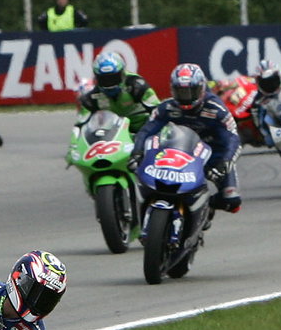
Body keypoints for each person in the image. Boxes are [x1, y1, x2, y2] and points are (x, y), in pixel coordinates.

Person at [135, 63, 242, 213]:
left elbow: (233, 138)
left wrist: (225, 161)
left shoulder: (216, 109)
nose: (187, 97)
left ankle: (205, 205)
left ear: (202, 88)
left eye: (192, 91)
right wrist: (138, 151)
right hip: (177, 153)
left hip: (212, 156)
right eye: (181, 92)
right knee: (142, 179)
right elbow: (146, 131)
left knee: (232, 201)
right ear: (172, 90)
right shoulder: (166, 108)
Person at [75, 51, 160, 134]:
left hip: (144, 131)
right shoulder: (92, 97)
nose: (109, 84)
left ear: (122, 74)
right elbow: (80, 124)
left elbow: (158, 111)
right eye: (104, 79)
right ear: (97, 78)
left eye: (113, 78)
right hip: (114, 137)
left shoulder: (137, 85)